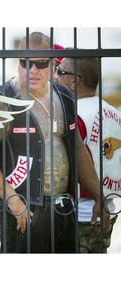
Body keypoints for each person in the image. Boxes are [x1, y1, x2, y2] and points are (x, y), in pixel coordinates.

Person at [0, 31, 109, 253]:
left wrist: (98, 194)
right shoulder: (1, 101)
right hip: (24, 211)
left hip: (64, 209)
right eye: (26, 63)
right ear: (18, 64)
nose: (32, 70)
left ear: (53, 64)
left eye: (41, 63)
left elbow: (78, 149)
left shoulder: (63, 96)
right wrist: (12, 200)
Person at [54, 55, 120, 253]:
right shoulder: (113, 111)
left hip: (81, 213)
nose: (55, 76)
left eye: (60, 71)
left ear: (74, 82)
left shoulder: (75, 114)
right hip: (108, 208)